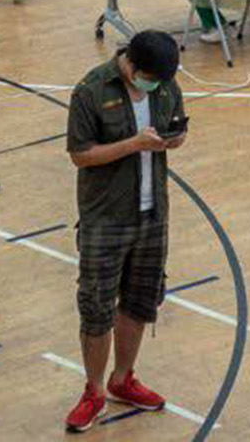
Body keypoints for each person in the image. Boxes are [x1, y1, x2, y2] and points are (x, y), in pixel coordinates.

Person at [63, 31, 186, 434]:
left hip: (154, 215)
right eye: (149, 77)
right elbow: (81, 154)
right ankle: (94, 390)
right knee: (97, 306)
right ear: (130, 65)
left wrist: (174, 139)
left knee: (139, 302)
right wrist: (133, 144)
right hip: (106, 218)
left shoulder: (164, 84)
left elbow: (175, 130)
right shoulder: (91, 90)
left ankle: (123, 378)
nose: (156, 85)